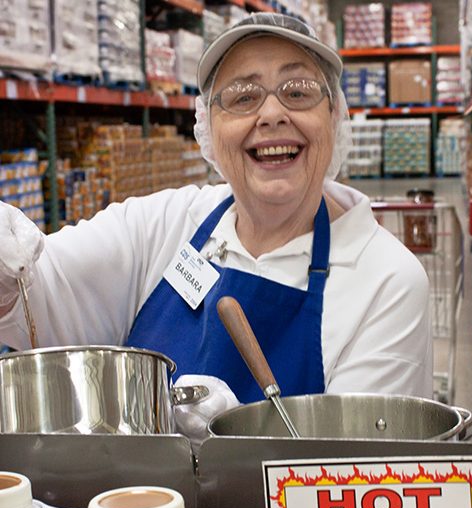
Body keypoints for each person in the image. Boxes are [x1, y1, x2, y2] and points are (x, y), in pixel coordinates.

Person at [0, 13, 432, 445]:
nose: (272, 114)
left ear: (335, 115)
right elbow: (41, 290)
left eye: (297, 92)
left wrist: (237, 442)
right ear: (207, 127)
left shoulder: (387, 281)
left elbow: (352, 481)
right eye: (243, 97)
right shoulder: (163, 225)